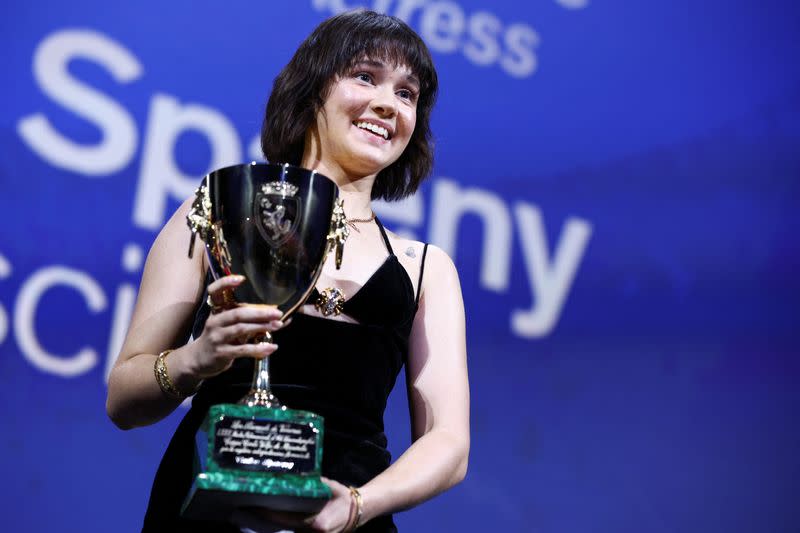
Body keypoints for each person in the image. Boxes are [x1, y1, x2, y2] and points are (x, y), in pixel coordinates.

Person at [106, 10, 469, 533]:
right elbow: (124, 401)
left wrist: (357, 505)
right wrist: (194, 360)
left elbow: (449, 444)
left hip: (350, 514)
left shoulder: (425, 267)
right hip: (209, 511)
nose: (388, 103)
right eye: (365, 76)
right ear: (311, 89)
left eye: (407, 93)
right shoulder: (214, 213)